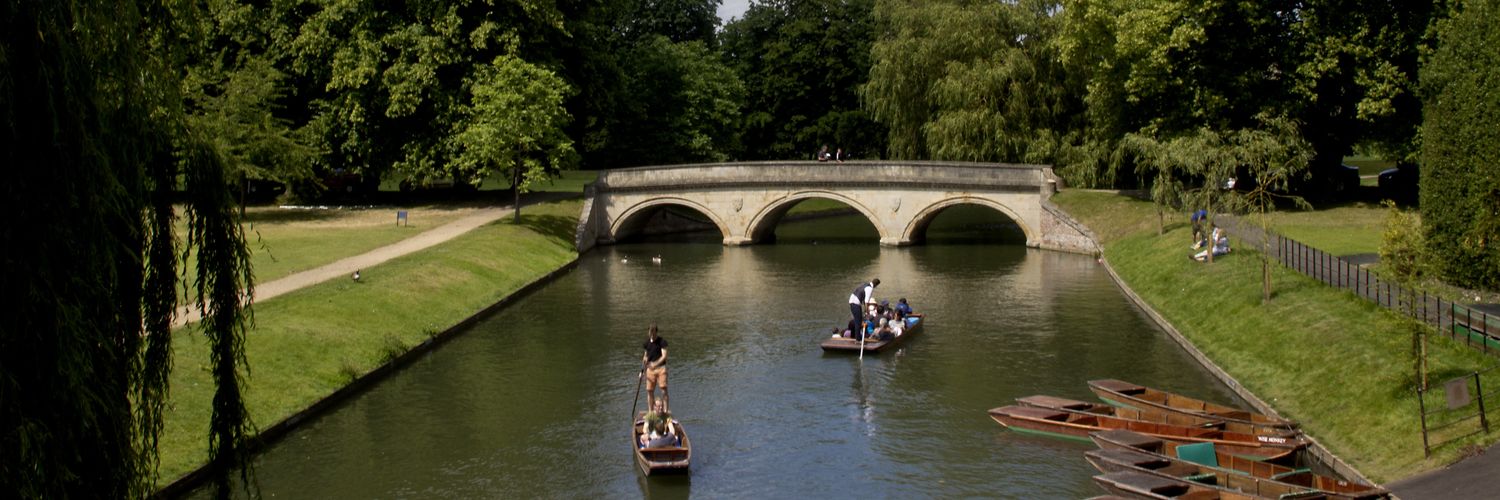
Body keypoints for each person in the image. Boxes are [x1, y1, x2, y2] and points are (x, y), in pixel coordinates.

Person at [642, 323, 669, 412]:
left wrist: (655, 364)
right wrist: (642, 371)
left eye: (653, 333)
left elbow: (664, 356)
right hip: (650, 370)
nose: (652, 335)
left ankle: (665, 411)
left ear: (656, 332)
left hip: (661, 369)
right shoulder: (646, 343)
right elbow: (645, 356)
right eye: (650, 332)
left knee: (663, 390)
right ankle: (650, 412)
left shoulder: (662, 342)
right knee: (649, 391)